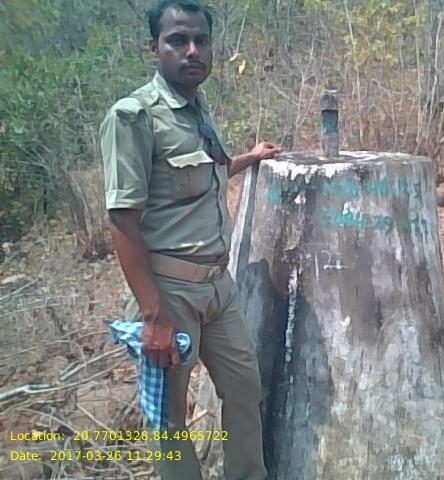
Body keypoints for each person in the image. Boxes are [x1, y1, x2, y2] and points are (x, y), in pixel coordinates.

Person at [98, 1, 279, 478]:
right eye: (178, 40)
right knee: (170, 421)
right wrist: (153, 315)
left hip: (219, 287)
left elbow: (204, 176)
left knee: (244, 391)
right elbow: (123, 222)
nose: (192, 50)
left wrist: (249, 157)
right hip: (169, 293)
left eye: (201, 40)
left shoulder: (197, 109)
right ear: (154, 49)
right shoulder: (134, 117)